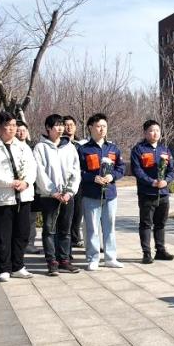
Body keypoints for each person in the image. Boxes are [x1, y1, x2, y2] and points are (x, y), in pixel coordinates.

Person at [0, 113, 37, 282]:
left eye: (14, 125)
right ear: (0, 127)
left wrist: (26, 182)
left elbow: (32, 167)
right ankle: (5, 268)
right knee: (3, 235)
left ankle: (18, 266)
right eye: (8, 125)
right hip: (3, 198)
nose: (12, 128)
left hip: (23, 196)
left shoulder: (23, 147)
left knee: (22, 233)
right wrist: (10, 183)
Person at [33, 114, 81, 276]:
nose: (60, 128)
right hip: (49, 196)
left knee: (65, 229)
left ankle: (64, 260)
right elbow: (40, 172)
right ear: (48, 127)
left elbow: (76, 171)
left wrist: (69, 191)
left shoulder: (70, 147)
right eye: (56, 125)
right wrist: (53, 191)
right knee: (49, 229)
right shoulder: (40, 148)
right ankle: (51, 261)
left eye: (62, 125)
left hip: (67, 196)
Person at [77, 113, 124, 271]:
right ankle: (93, 258)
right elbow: (78, 171)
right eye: (98, 126)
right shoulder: (83, 149)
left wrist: (112, 176)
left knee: (109, 227)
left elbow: (121, 168)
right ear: (90, 128)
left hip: (110, 195)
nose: (102, 129)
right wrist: (92, 178)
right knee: (92, 229)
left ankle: (110, 258)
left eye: (104, 126)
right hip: (91, 195)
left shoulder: (113, 148)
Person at [131, 120, 174, 264]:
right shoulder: (138, 150)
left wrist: (166, 181)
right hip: (147, 194)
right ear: (145, 133)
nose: (155, 133)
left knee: (160, 223)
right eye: (151, 130)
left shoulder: (165, 150)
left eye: (157, 130)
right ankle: (146, 253)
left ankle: (160, 251)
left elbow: (172, 170)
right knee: (146, 224)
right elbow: (137, 171)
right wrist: (152, 182)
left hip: (163, 193)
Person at [63, 115, 85, 253]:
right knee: (67, 215)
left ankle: (75, 237)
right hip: (65, 185)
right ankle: (66, 240)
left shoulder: (80, 144)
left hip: (80, 183)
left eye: (72, 124)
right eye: (66, 124)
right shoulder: (60, 144)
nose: (69, 127)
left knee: (78, 212)